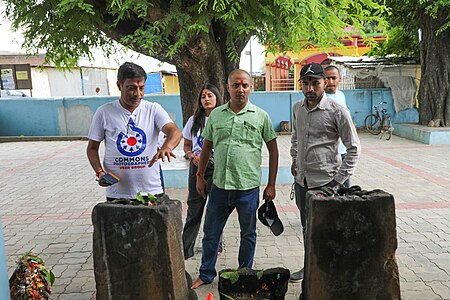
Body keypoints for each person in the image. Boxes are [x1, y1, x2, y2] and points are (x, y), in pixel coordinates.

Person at [191, 69, 279, 289]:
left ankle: (244, 274)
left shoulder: (261, 116)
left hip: (248, 187)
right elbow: (207, 147)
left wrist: (271, 184)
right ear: (227, 88)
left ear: (251, 88)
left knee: (248, 234)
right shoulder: (217, 115)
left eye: (245, 85)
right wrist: (200, 177)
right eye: (236, 85)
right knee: (211, 233)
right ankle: (206, 274)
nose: (240, 89)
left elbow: (273, 150)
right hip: (220, 187)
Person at [289, 63, 361, 285]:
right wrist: (294, 159)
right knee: (307, 227)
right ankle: (310, 266)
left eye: (315, 83)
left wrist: (339, 181)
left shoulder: (337, 110)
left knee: (330, 230)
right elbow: (295, 137)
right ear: (301, 84)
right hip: (303, 181)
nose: (310, 87)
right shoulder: (298, 108)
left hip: (327, 182)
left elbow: (354, 148)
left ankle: (335, 274)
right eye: (306, 83)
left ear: (324, 83)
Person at [86, 62, 182, 200]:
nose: (138, 94)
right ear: (119, 85)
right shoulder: (104, 112)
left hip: (151, 190)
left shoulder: (153, 109)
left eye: (141, 88)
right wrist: (100, 172)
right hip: (117, 193)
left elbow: (175, 131)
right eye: (131, 88)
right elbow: (92, 148)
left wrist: (167, 147)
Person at [181, 84, 224, 260]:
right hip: (197, 167)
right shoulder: (193, 121)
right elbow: (186, 145)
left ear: (217, 98)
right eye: (203, 96)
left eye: (210, 96)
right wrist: (192, 156)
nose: (206, 99)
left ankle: (216, 246)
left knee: (215, 209)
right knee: (194, 209)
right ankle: (185, 249)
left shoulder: (223, 118)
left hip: (217, 167)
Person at [324, 65, 350, 188]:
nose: (330, 82)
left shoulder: (341, 95)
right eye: (327, 78)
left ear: (339, 79)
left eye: (333, 78)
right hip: (327, 156)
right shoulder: (320, 99)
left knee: (345, 191)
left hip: (342, 152)